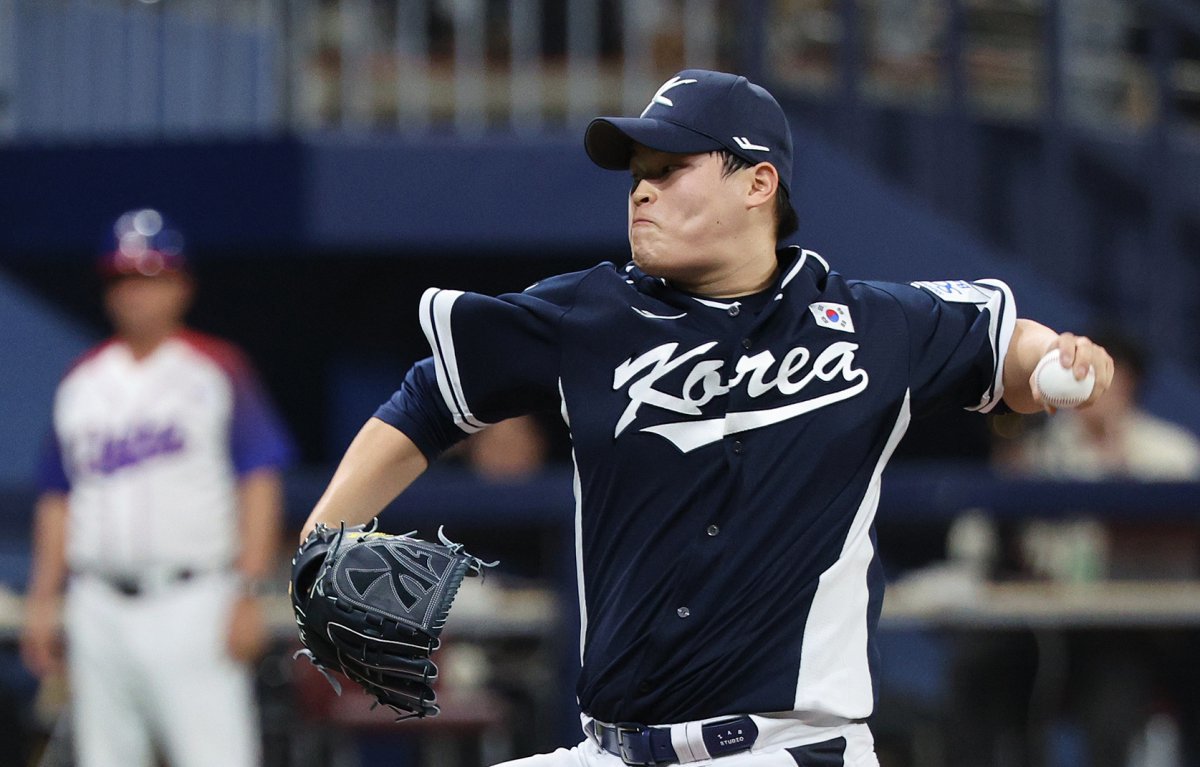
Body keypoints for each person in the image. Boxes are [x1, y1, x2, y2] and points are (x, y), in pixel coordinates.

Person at [299, 69, 1114, 766]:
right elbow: (428, 398)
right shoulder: (589, 317)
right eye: (635, 174)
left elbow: (1002, 343)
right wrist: (323, 533)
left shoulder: (869, 326)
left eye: (670, 166)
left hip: (784, 748)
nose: (643, 188)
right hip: (610, 746)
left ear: (758, 182)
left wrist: (1056, 358)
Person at [20, 209, 294, 767]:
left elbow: (260, 482)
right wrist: (43, 599)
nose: (135, 293)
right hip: (97, 604)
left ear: (180, 286)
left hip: (194, 600)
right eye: (123, 279)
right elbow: (58, 495)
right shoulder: (82, 380)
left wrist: (248, 593)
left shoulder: (218, 369)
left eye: (149, 277)